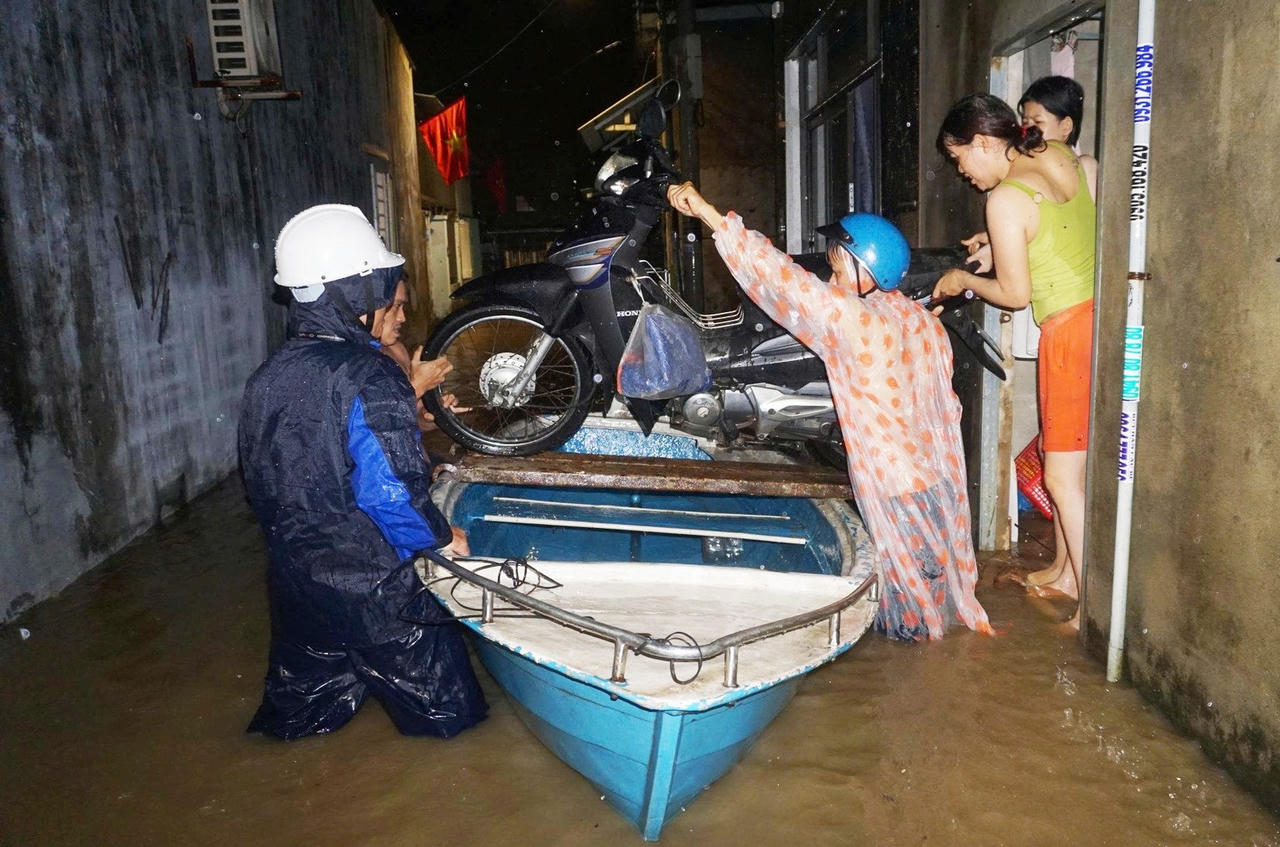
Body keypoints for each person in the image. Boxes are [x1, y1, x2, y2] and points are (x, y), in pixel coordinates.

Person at [667, 182, 991, 641]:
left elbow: (781, 278)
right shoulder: (916, 320)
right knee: (932, 603)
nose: (833, 282)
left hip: (897, 492)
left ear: (869, 272)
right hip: (933, 485)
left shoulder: (859, 323)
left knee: (910, 625)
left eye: (840, 271)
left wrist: (708, 213)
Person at [238, 203, 488, 740]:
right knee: (451, 724)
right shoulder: (370, 377)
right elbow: (389, 494)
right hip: (378, 596)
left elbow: (266, 483)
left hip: (296, 588)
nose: (397, 312)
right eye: (384, 294)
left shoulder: (266, 378)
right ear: (352, 296)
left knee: (296, 725)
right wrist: (440, 538)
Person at [933, 93, 1096, 630]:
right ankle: (1069, 574)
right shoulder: (1055, 154)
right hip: (1099, 315)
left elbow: (1015, 293)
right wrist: (997, 244)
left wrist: (961, 279)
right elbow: (1060, 221)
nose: (963, 173)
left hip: (1068, 332)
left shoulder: (1004, 198)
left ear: (984, 143)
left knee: (1061, 473)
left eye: (961, 159)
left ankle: (1090, 610)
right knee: (1069, 465)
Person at [376, 279, 455, 431]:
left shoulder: (397, 351)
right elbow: (374, 425)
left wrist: (430, 415)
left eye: (403, 306)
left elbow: (412, 422)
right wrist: (418, 386)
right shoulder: (352, 362)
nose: (402, 318)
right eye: (396, 306)